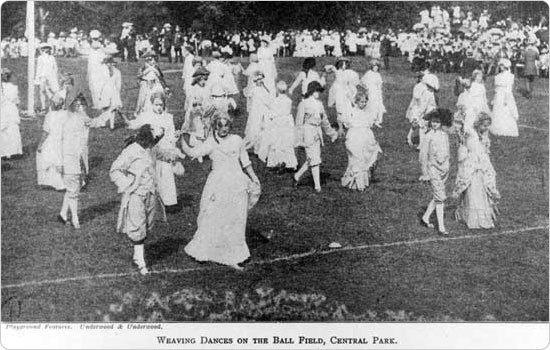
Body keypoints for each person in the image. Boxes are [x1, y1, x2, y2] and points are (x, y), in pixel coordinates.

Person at [180, 113, 261, 271]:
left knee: (236, 219)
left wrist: (254, 177)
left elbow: (245, 161)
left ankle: (234, 255)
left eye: (226, 125)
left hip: (237, 183)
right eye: (219, 125)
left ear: (230, 126)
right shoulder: (211, 142)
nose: (223, 129)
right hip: (218, 184)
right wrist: (182, 138)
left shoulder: (237, 140)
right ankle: (205, 250)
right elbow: (193, 152)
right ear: (215, 126)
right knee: (213, 216)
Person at [110, 124, 166, 275]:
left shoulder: (152, 149)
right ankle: (141, 261)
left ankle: (137, 255)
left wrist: (175, 157)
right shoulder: (131, 150)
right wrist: (128, 183)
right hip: (136, 194)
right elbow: (114, 170)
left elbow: (162, 156)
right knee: (137, 224)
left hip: (150, 192)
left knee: (147, 223)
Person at [127, 92, 185, 211]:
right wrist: (123, 117)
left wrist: (175, 137)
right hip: (150, 149)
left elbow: (170, 136)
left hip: (164, 150)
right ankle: (152, 202)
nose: (158, 107)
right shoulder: (146, 116)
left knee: (166, 174)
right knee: (151, 174)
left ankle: (169, 202)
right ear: (151, 104)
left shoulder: (168, 117)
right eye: (156, 104)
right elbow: (133, 125)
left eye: (161, 104)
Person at [452, 112, 500, 229]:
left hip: (482, 166)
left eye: (488, 125)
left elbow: (484, 151)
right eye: (484, 125)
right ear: (478, 124)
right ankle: (472, 219)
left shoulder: (483, 135)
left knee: (482, 192)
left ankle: (483, 218)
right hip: (472, 165)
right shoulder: (471, 134)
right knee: (473, 192)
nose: (486, 128)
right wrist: (463, 115)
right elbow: (462, 127)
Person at [293, 81, 338, 192]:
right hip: (308, 132)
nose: (318, 93)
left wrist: (332, 133)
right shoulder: (304, 104)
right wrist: (299, 139)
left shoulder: (320, 105)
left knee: (312, 158)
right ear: (311, 91)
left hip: (317, 133)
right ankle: (317, 186)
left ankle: (297, 176)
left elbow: (324, 121)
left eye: (319, 91)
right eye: (316, 91)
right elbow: (299, 123)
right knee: (315, 159)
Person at [58, 94, 95, 229]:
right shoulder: (63, 118)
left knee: (74, 188)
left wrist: (109, 112)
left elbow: (96, 122)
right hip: (67, 158)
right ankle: (75, 218)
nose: (80, 107)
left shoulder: (82, 117)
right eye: (77, 105)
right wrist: (59, 162)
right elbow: (58, 141)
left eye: (81, 105)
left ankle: (63, 214)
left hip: (79, 158)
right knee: (74, 189)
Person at [420, 108, 452, 235]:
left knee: (439, 195)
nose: (435, 124)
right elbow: (423, 156)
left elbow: (447, 152)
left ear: (441, 123)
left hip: (443, 169)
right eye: (433, 121)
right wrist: (425, 173)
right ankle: (441, 227)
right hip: (432, 169)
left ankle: (425, 217)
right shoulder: (428, 136)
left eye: (437, 122)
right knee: (440, 197)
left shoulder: (444, 135)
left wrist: (447, 165)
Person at [341, 93, 382, 191]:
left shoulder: (366, 113)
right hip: (355, 137)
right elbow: (347, 122)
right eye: (361, 102)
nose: (364, 104)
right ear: (357, 102)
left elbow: (368, 123)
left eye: (365, 102)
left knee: (364, 158)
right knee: (356, 158)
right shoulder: (353, 112)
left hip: (365, 137)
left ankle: (362, 182)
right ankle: (357, 183)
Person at [257, 81, 298, 171]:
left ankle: (277, 162)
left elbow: (273, 113)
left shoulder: (275, 101)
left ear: (277, 90)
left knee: (276, 143)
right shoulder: (289, 101)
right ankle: (289, 162)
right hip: (286, 123)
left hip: (277, 123)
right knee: (286, 143)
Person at [36, 94, 67, 190]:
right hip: (64, 140)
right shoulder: (66, 114)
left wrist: (40, 144)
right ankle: (64, 182)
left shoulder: (50, 115)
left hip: (53, 140)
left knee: (46, 157)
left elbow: (46, 131)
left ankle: (55, 182)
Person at [244, 71, 273, 154]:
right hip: (256, 112)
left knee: (263, 129)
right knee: (254, 129)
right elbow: (249, 97)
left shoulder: (264, 89)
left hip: (264, 112)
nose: (260, 81)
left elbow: (268, 99)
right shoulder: (254, 90)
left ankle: (258, 149)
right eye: (258, 79)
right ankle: (248, 146)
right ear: (255, 81)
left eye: (261, 79)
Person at [489, 59, 519, 137]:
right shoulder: (498, 76)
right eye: (500, 66)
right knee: (498, 110)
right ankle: (497, 128)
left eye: (501, 65)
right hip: (498, 95)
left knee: (506, 110)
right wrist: (495, 98)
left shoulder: (510, 76)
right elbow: (496, 89)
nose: (500, 67)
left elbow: (508, 89)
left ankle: (506, 128)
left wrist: (506, 99)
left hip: (505, 95)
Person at [0, 68, 23, 160]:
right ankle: (13, 151)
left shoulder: (12, 87)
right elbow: (17, 101)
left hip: (6, 109)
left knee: (5, 129)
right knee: (12, 128)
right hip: (11, 109)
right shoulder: (13, 87)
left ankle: (6, 152)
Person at [95, 56, 122, 129]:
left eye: (109, 63)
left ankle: (111, 125)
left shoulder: (117, 72)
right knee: (105, 106)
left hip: (112, 90)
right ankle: (103, 122)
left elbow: (118, 84)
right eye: (107, 63)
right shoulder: (103, 71)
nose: (108, 65)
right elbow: (100, 83)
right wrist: (99, 93)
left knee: (113, 107)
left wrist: (117, 92)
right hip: (105, 90)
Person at [360, 59, 386, 127]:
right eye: (374, 66)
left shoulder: (378, 74)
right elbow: (362, 82)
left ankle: (378, 121)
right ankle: (370, 120)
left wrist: (379, 90)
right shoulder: (368, 73)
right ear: (371, 67)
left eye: (377, 66)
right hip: (371, 91)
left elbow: (380, 84)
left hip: (377, 92)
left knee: (378, 105)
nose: (376, 68)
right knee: (371, 105)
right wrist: (367, 88)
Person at [35, 43, 59, 113]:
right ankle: (43, 107)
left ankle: (55, 105)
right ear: (42, 49)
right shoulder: (40, 58)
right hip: (43, 76)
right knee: (42, 91)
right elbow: (39, 69)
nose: (46, 50)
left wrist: (55, 75)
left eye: (48, 48)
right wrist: (37, 78)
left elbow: (55, 67)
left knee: (54, 91)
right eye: (44, 48)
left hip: (51, 76)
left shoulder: (52, 58)